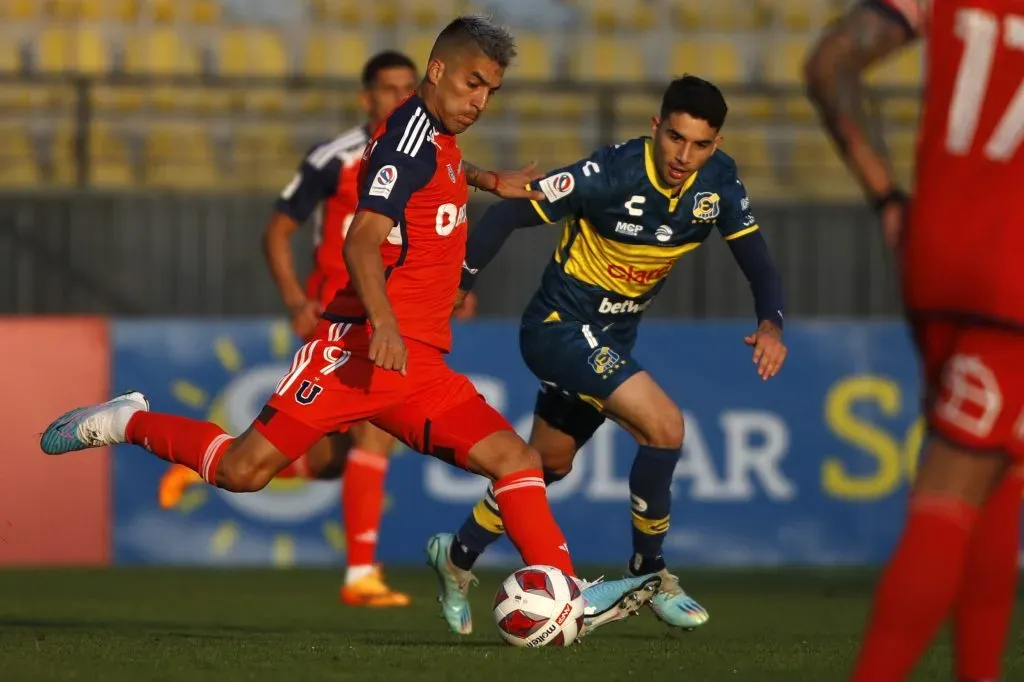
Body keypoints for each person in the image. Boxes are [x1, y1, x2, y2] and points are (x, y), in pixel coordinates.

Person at [41, 14, 663, 639]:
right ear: (438, 69)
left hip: (418, 368)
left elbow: (436, 168)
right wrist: (385, 324)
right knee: (242, 472)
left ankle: (568, 591)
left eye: (491, 92)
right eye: (473, 83)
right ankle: (125, 420)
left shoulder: (436, 136)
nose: (479, 101)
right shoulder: (406, 142)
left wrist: (484, 179)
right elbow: (361, 244)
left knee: (516, 460)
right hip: (356, 352)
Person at [426, 75, 788, 635]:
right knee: (665, 427)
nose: (683, 156)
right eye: (674, 138)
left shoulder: (718, 181)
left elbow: (757, 260)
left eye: (699, 145)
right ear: (655, 128)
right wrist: (461, 285)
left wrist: (771, 323)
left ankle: (456, 558)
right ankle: (651, 574)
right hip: (558, 328)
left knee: (544, 465)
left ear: (715, 145)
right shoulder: (608, 173)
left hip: (612, 339)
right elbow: (504, 216)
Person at [804, 1, 1024, 680]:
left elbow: (829, 60)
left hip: (932, 243)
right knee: (958, 485)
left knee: (996, 469)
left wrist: (887, 198)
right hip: (1011, 261)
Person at [158, 49, 420, 609]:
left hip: (390, 317)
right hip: (339, 317)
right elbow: (277, 232)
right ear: (366, 97)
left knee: (333, 460)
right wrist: (296, 300)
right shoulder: (337, 158)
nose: (400, 98)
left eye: (408, 88)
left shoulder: (425, 158)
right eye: (389, 89)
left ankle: (210, 466)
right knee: (375, 434)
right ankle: (360, 577)